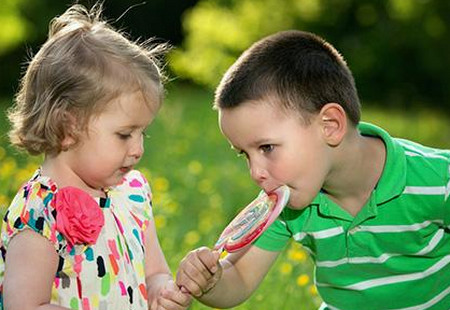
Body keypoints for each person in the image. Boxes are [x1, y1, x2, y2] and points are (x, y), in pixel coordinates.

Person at [175, 30, 450, 309]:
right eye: (244, 154)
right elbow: (241, 278)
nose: (255, 172)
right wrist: (211, 281)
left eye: (267, 148)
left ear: (330, 125)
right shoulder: (285, 206)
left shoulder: (438, 179)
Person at [0, 3, 191, 310]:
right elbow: (24, 305)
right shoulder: (40, 213)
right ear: (68, 126)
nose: (138, 148)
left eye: (143, 133)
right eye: (125, 134)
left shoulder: (132, 194)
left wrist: (160, 291)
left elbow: (154, 272)